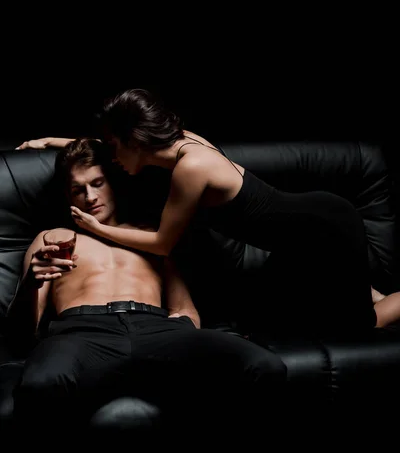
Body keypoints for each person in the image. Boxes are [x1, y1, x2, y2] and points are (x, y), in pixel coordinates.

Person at [15, 89, 400, 333]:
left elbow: (163, 244)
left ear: (135, 142)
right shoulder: (177, 144)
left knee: (361, 327)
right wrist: (55, 142)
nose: (113, 159)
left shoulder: (191, 168)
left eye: (115, 148)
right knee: (280, 319)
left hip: (323, 229)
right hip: (299, 237)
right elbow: (103, 147)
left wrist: (93, 228)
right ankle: (363, 289)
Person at [8, 137, 287, 439]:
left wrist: (183, 334)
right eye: (78, 189)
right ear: (68, 197)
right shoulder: (52, 238)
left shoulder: (151, 236)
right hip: (81, 333)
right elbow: (25, 332)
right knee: (40, 385)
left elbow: (184, 309)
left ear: (112, 182)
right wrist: (30, 283)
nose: (89, 196)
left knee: (265, 366)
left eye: (97, 183)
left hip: (156, 329)